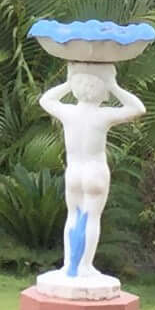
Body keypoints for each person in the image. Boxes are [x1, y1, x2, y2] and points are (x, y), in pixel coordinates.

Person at [36, 60, 146, 289]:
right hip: (95, 173)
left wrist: (68, 83)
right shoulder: (102, 116)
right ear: (101, 90)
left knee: (73, 216)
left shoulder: (68, 112)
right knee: (92, 218)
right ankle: (85, 266)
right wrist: (114, 85)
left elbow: (45, 100)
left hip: (74, 172)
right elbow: (138, 109)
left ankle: (70, 265)